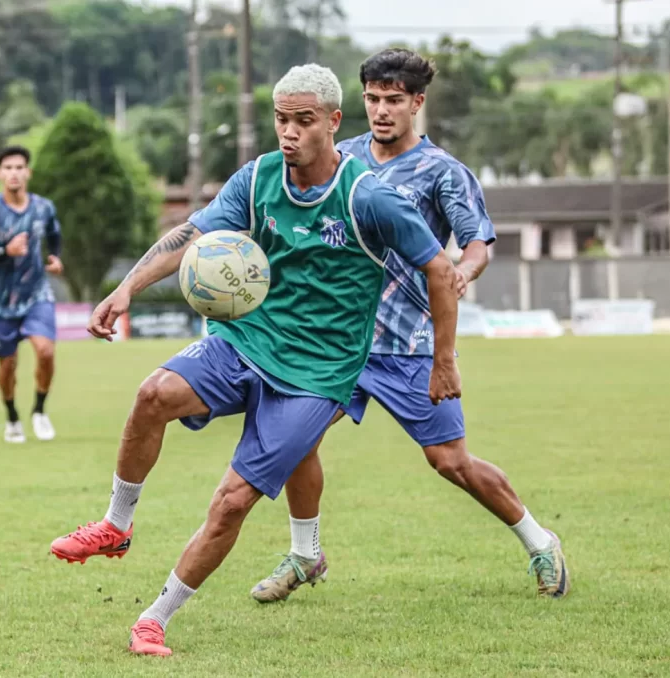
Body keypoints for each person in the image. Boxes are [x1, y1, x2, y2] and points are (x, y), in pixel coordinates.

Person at [50, 64, 462, 656]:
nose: (288, 133)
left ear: (332, 122)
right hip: (245, 341)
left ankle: (155, 619)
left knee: (232, 501)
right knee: (152, 395)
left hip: (317, 377)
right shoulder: (258, 178)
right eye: (280, 120)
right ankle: (116, 525)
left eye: (303, 121)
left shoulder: (370, 197)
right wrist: (127, 289)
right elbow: (188, 235)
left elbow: (440, 270)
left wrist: (442, 362)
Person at [250, 48, 569, 604]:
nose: (380, 110)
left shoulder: (443, 172)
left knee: (450, 461)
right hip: (337, 340)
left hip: (409, 344)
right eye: (372, 99)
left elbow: (476, 243)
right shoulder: (340, 157)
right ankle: (306, 554)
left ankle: (540, 541)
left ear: (417, 103)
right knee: (297, 441)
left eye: (393, 100)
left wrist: (463, 272)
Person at [0, 146, 63, 443]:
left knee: (46, 351)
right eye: (7, 167)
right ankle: (11, 415)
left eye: (19, 167)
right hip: (1, 299)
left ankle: (39, 410)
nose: (14, 173)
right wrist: (4, 252)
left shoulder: (43, 208)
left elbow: (54, 234)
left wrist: (56, 257)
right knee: (7, 365)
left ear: (28, 172)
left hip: (37, 293)